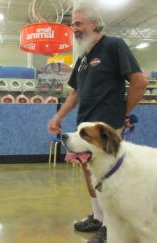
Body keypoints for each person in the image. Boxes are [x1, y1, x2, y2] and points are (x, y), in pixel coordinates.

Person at [47, 5, 148, 243]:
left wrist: (123, 114)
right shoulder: (83, 56)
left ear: (95, 24)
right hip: (86, 126)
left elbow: (139, 82)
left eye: (79, 23)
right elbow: (75, 92)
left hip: (107, 127)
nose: (75, 29)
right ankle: (98, 217)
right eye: (73, 24)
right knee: (91, 172)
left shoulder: (114, 46)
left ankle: (112, 227)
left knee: (108, 178)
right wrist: (58, 116)